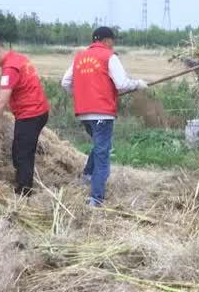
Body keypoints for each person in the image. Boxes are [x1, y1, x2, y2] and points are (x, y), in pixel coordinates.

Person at [61, 27, 148, 206]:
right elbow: (122, 84)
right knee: (103, 152)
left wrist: (80, 95)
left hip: (83, 113)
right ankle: (96, 198)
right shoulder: (109, 56)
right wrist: (138, 84)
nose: (112, 45)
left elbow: (66, 83)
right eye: (112, 42)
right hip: (101, 113)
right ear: (107, 41)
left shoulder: (79, 57)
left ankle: (87, 175)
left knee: (100, 145)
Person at [0, 36, 50, 197]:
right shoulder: (18, 58)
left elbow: (3, 100)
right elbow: (15, 92)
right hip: (37, 111)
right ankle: (22, 184)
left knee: (22, 153)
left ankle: (24, 192)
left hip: (31, 114)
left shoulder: (10, 68)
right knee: (20, 149)